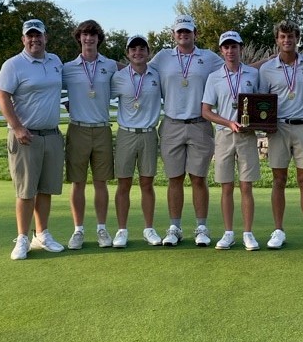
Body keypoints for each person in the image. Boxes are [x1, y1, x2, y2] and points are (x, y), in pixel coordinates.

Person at [149, 15, 224, 247]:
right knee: (175, 178)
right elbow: (139, 70)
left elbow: (236, 69)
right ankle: (175, 227)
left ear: (195, 34)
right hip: (171, 124)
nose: (183, 35)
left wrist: (273, 59)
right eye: (179, 32)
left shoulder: (209, 58)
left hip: (199, 124)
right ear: (174, 34)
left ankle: (201, 227)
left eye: (187, 31)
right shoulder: (162, 57)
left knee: (198, 178)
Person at [0, 19, 65, 260]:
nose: (35, 39)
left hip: (52, 135)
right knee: (26, 191)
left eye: (39, 35)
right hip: (26, 136)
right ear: (23, 39)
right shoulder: (13, 65)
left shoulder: (55, 61)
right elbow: (2, 96)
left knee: (46, 189)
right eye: (30, 36)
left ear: (46, 37)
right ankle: (22, 238)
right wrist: (17, 127)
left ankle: (42, 234)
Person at [259, 19, 303, 250]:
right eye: (282, 37)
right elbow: (262, 101)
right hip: (278, 129)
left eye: (291, 36)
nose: (287, 40)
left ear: (297, 38)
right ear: (277, 40)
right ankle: (278, 230)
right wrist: (264, 125)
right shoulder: (267, 68)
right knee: (279, 180)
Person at [202, 31, 260, 251]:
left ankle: (248, 233)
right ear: (221, 51)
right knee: (226, 187)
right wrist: (228, 123)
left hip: (247, 135)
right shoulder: (214, 77)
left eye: (233, 46)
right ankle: (228, 233)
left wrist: (258, 124)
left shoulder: (253, 74)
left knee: (246, 186)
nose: (230, 51)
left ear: (240, 48)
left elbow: (262, 104)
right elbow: (206, 111)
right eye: (225, 47)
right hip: (224, 134)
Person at [62, 20, 118, 249]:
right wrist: (67, 101)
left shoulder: (111, 65)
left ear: (99, 38)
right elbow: (46, 86)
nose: (89, 39)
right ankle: (78, 231)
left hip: (103, 128)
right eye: (85, 35)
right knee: (78, 183)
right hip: (78, 129)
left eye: (93, 35)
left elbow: (136, 70)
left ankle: (102, 229)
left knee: (101, 183)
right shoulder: (67, 67)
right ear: (79, 38)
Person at [111, 34, 163, 247]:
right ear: (127, 53)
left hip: (149, 133)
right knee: (123, 183)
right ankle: (122, 230)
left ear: (148, 52)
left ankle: (148, 229)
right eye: (133, 49)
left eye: (142, 49)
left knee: (147, 183)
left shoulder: (157, 76)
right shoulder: (119, 77)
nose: (137, 52)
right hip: (126, 133)